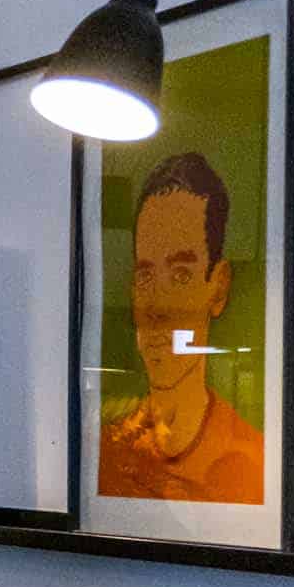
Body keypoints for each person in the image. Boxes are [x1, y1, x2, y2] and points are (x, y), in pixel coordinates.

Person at [97, 151, 264, 505]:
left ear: (217, 288)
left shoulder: (254, 462)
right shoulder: (105, 448)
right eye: (144, 275)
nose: (156, 306)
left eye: (181, 275)